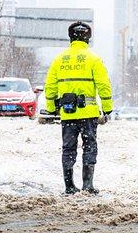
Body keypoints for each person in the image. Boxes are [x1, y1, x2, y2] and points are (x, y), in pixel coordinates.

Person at [44, 21, 113, 195]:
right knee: (89, 146)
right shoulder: (94, 59)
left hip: (67, 113)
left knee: (68, 148)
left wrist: (52, 107)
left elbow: (50, 86)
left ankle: (69, 186)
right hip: (88, 114)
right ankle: (88, 185)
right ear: (88, 38)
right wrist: (107, 108)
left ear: (70, 37)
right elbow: (104, 85)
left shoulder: (59, 60)